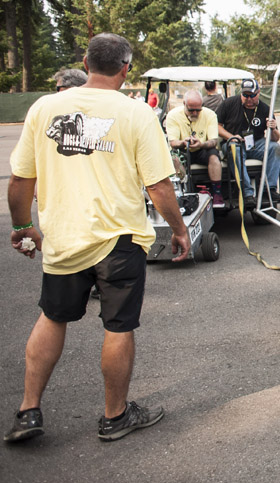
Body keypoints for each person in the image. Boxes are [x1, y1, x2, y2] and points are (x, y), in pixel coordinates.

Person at [5, 32, 190, 444]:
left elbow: (20, 178)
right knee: (118, 326)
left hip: (63, 235)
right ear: (125, 69)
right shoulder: (136, 113)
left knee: (53, 317)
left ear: (85, 64)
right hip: (119, 239)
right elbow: (159, 186)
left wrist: (22, 227)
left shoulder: (45, 107)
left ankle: (28, 410)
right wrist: (179, 230)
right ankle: (114, 416)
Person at [216, 78, 280, 204]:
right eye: (245, 95)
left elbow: (275, 138)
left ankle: (269, 189)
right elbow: (217, 126)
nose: (249, 99)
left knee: (276, 148)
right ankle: (247, 193)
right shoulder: (229, 104)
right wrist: (231, 137)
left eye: (252, 95)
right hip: (234, 142)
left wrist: (273, 128)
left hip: (256, 143)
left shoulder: (264, 108)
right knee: (234, 148)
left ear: (258, 92)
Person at [165, 90, 225, 208]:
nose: (195, 113)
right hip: (183, 150)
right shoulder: (173, 115)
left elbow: (213, 141)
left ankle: (217, 193)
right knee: (174, 157)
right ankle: (182, 192)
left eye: (198, 110)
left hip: (202, 149)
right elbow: (173, 142)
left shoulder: (210, 114)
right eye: (191, 110)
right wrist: (184, 142)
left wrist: (201, 144)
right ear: (184, 104)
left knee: (214, 155)